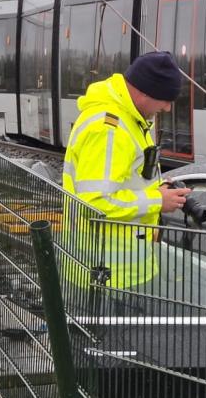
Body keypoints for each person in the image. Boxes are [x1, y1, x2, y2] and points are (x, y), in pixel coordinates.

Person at [61, 51, 191, 310]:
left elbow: (125, 181)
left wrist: (157, 190)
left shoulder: (129, 119)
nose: (167, 108)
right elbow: (96, 202)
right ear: (144, 92)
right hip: (106, 276)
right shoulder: (109, 130)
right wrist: (157, 201)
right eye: (165, 100)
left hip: (120, 272)